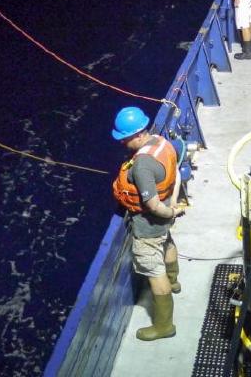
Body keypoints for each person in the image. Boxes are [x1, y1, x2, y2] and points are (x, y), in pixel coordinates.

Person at [111, 106, 183, 341]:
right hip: (163, 223)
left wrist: (168, 212)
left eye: (125, 138)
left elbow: (151, 205)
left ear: (138, 135)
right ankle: (174, 282)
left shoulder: (142, 164)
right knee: (168, 245)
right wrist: (173, 205)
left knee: (154, 272)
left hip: (149, 226)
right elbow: (177, 175)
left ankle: (164, 326)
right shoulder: (162, 143)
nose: (122, 143)